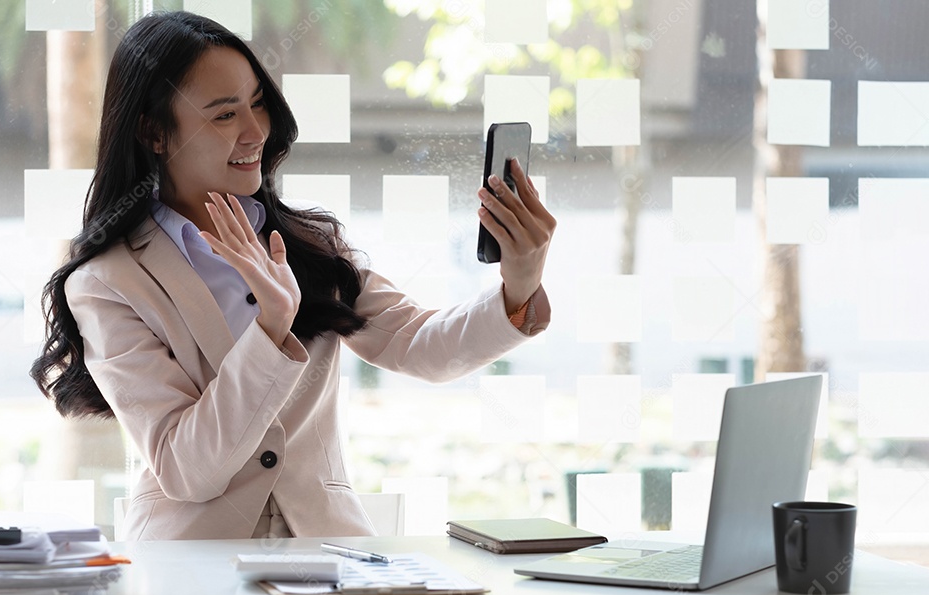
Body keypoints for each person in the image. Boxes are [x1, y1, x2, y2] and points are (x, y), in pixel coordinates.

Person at [30, 11, 556, 541]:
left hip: (330, 554)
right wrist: (271, 329)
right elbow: (186, 468)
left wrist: (520, 282)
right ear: (153, 132)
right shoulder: (107, 283)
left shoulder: (309, 245)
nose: (255, 131)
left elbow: (421, 347)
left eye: (258, 103)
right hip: (190, 563)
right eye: (223, 115)